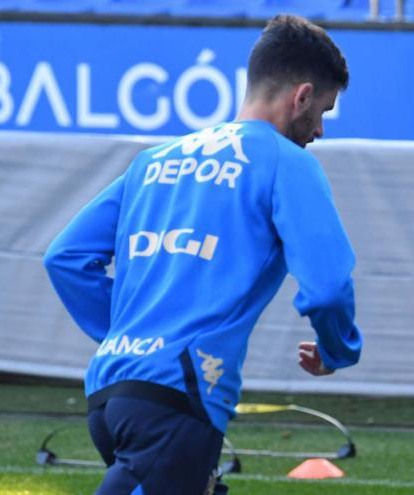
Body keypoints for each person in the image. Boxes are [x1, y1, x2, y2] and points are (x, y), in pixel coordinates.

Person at [43, 15, 362, 495]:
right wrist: (338, 350)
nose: (319, 128)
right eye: (323, 110)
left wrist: (135, 335)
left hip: (111, 392)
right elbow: (329, 287)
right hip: (179, 399)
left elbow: (65, 257)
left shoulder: (155, 159)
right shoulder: (285, 162)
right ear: (301, 95)